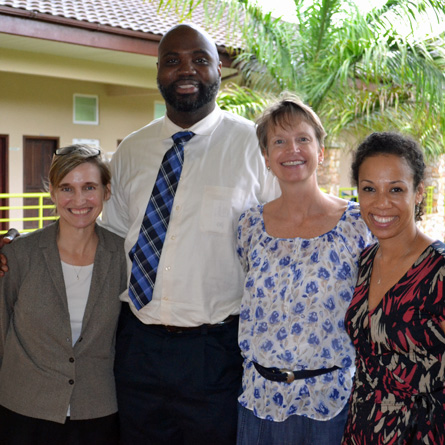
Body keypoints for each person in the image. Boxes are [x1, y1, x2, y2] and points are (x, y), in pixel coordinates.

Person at [99, 24, 277, 445]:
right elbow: (108, 237)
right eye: (173, 60)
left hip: (215, 350)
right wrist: (28, 251)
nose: (186, 69)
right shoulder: (131, 151)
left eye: (199, 59)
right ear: (157, 70)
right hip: (137, 344)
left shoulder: (255, 146)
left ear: (218, 68)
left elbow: (286, 227)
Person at [235, 95, 374, 444]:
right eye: (278, 141)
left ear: (321, 151)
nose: (291, 149)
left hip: (332, 404)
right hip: (260, 402)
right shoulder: (249, 225)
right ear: (266, 158)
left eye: (302, 139)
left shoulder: (357, 223)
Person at [0, 144, 127, 445]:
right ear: (53, 194)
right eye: (67, 188)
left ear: (106, 191)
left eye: (90, 187)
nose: (79, 200)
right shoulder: (18, 255)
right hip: (23, 409)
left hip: (97, 412)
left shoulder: (125, 257)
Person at [342, 132, 445, 444]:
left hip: (422, 432)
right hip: (362, 427)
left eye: (396, 189)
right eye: (369, 189)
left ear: (418, 193)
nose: (381, 203)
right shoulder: (365, 261)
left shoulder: (439, 270)